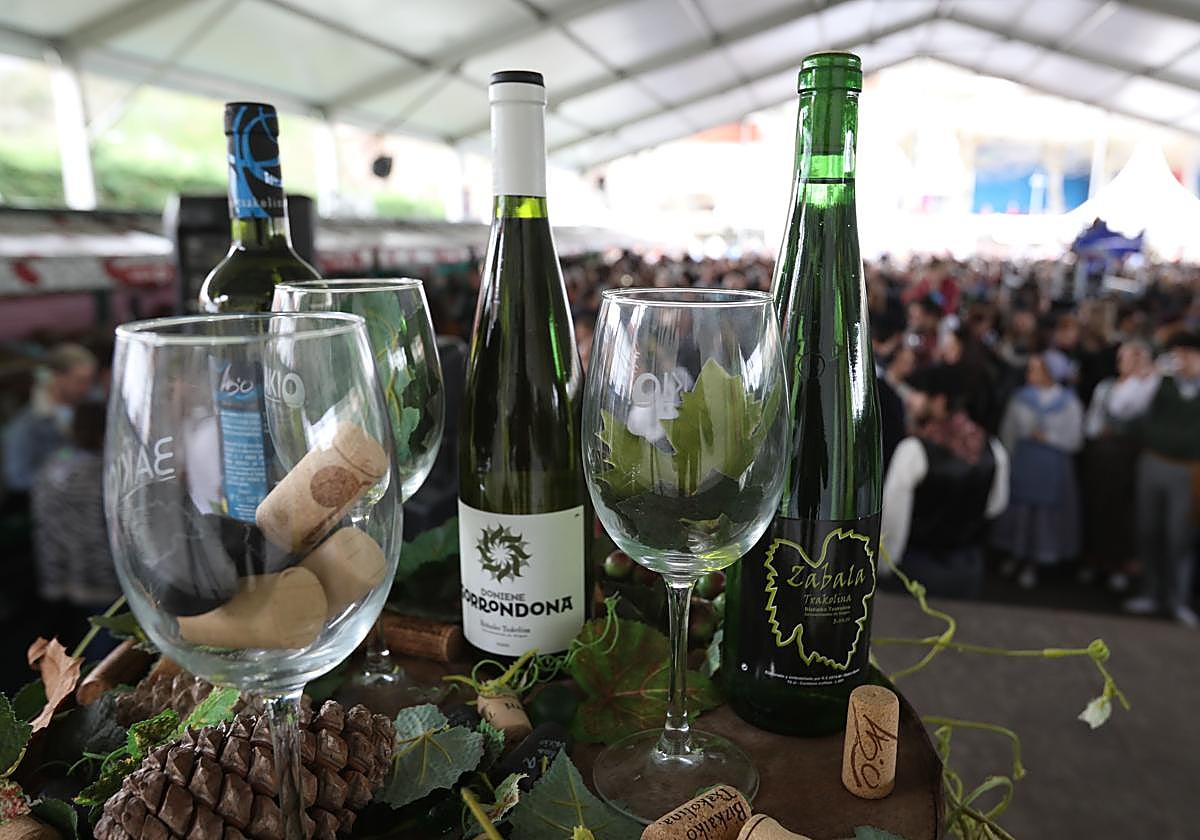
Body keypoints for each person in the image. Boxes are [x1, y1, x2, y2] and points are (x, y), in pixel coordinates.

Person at [881, 365, 1009, 597]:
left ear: (939, 401)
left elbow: (892, 520)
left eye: (918, 393)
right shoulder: (993, 448)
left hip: (916, 570)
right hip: (969, 569)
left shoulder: (914, 450)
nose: (910, 400)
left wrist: (884, 566)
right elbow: (995, 506)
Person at [30, 401, 120, 656]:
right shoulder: (105, 471)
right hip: (99, 577)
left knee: (66, 648)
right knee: (102, 654)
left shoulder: (53, 463)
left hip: (56, 572)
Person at [1123, 333, 1200, 628]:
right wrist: (1146, 374)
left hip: (1189, 470)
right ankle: (1151, 592)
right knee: (1149, 529)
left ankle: (1177, 599)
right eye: (1181, 353)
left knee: (1180, 536)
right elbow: (1124, 407)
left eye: (1191, 353)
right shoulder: (1159, 381)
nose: (1186, 360)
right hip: (1154, 463)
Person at [993, 352, 1085, 589]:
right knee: (1020, 511)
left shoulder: (1068, 402)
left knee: (1043, 515)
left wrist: (1049, 437)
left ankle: (1034, 561)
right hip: (1024, 463)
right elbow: (1009, 432)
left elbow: (1075, 438)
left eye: (1035, 369)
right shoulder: (1021, 398)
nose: (1030, 374)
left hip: (1051, 467)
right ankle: (1015, 554)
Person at [1081, 340, 1159, 592]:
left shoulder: (1150, 389)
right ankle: (1095, 561)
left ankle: (1118, 565)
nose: (1130, 363)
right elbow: (1091, 422)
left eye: (1136, 358)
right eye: (1126, 358)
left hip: (1129, 462)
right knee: (1097, 509)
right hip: (1102, 459)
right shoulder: (1105, 388)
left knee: (1123, 515)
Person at [2, 344, 97, 495]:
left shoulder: (92, 404)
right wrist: (62, 481)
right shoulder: (27, 425)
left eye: (89, 380)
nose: (86, 387)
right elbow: (18, 476)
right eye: (79, 381)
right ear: (56, 377)